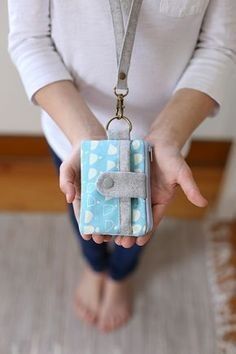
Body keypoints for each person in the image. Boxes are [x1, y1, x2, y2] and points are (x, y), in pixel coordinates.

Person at [7, 0, 236, 332]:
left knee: (142, 224)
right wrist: (83, 136)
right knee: (82, 209)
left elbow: (219, 44)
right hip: (72, 133)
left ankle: (121, 274)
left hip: (163, 143)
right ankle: (94, 266)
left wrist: (168, 136)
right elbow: (29, 38)